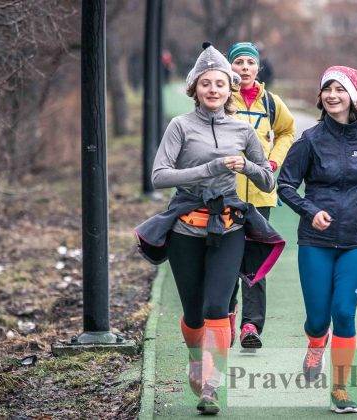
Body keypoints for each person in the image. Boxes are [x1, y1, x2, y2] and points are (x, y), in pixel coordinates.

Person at [134, 42, 285, 415]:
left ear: (229, 87)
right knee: (194, 313)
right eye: (206, 84)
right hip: (187, 226)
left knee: (219, 305)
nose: (213, 89)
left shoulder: (242, 129)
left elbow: (267, 181)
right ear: (195, 89)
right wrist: (209, 169)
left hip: (229, 226)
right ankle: (194, 360)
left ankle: (211, 384)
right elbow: (158, 176)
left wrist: (247, 167)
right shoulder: (180, 126)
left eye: (220, 83)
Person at [278, 66, 357, 414]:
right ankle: (314, 342)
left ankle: (339, 389)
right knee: (317, 319)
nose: (332, 95)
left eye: (340, 89)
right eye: (327, 89)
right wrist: (310, 211)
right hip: (316, 240)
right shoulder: (309, 140)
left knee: (343, 312)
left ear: (352, 97)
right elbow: (285, 185)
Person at [226, 41, 296, 350]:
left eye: (249, 63)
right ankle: (225, 317)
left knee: (254, 262)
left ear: (258, 67)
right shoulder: (223, 98)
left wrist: (273, 162)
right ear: (230, 67)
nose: (244, 68)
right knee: (225, 260)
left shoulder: (271, 102)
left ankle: (251, 326)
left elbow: (287, 132)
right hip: (225, 193)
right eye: (238, 62)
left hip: (260, 194)